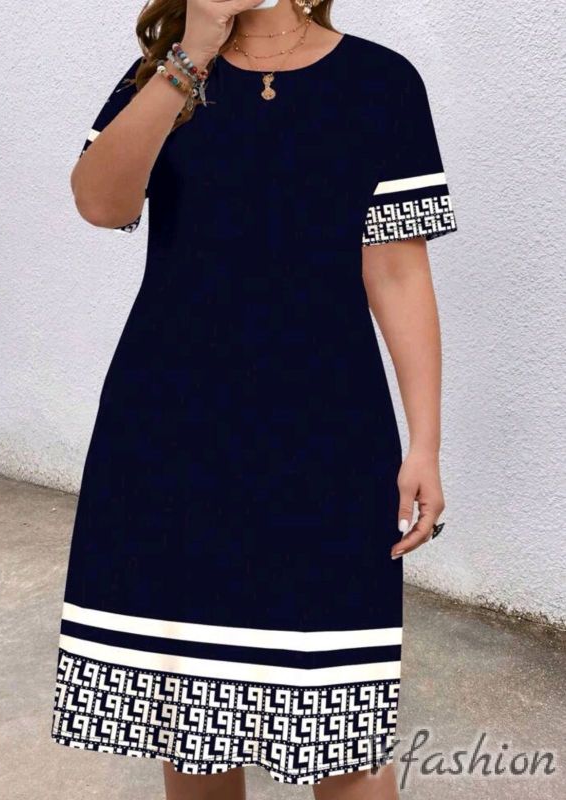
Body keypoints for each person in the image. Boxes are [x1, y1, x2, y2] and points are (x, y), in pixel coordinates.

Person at [50, 1, 456, 798]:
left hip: (327, 428)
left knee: (342, 725)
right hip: (171, 424)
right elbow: (101, 204)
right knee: (194, 722)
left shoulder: (380, 81)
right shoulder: (168, 76)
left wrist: (424, 444)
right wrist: (191, 54)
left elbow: (397, 272)